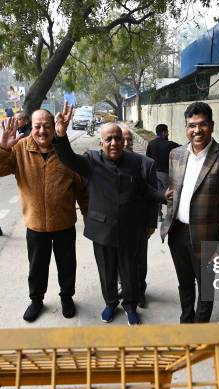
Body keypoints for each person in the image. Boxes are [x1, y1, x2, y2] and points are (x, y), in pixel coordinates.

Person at [53, 102, 156, 326]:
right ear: (101, 143)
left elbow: (146, 192)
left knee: (129, 271)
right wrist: (60, 136)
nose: (113, 143)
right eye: (108, 139)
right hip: (102, 230)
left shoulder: (136, 162)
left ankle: (130, 306)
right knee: (107, 271)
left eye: (117, 138)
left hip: (130, 229)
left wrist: (153, 216)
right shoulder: (91, 161)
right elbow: (68, 158)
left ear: (123, 141)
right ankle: (110, 304)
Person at [0, 109, 88, 322]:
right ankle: (36, 300)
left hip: (64, 223)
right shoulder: (19, 148)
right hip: (35, 225)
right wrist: (3, 147)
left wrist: (88, 218)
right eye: (37, 126)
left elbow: (81, 188)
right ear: (30, 127)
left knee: (67, 265)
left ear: (53, 127)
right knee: (37, 267)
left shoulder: (64, 150)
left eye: (47, 126)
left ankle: (67, 297)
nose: (42, 131)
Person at [161, 102, 219, 323]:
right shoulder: (175, 154)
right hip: (177, 232)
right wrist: (168, 218)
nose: (197, 130)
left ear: (212, 126)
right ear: (186, 128)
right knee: (184, 282)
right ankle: (186, 320)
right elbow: (172, 191)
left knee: (205, 286)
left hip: (206, 237)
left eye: (202, 124)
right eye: (191, 125)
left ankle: (200, 329)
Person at [121, 126, 158, 307]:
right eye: (123, 139)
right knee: (119, 259)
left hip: (140, 224)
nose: (126, 143)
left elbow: (153, 197)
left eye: (130, 140)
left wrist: (151, 223)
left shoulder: (147, 163)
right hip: (117, 225)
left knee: (139, 261)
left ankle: (139, 291)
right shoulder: (107, 162)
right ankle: (123, 287)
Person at [146, 124, 180, 221]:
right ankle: (170, 214)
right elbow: (182, 149)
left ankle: (159, 215)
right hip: (165, 174)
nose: (168, 133)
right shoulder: (170, 144)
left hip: (153, 173)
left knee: (157, 194)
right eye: (167, 132)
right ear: (164, 132)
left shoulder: (151, 144)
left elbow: (147, 158)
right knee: (169, 195)